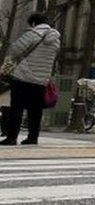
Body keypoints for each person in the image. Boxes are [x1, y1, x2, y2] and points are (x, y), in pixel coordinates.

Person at [0, 13, 61, 146]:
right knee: (35, 110)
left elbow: (15, 50)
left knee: (17, 108)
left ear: (33, 23)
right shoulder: (56, 39)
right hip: (41, 79)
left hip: (23, 76)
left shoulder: (33, 33)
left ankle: (11, 137)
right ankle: (33, 137)